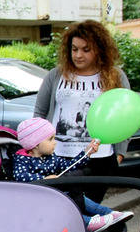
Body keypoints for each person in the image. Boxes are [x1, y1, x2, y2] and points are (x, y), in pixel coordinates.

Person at [33, 19, 130, 204]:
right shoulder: (56, 75)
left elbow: (124, 116)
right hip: (58, 157)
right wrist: (39, 153)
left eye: (86, 50)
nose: (78, 55)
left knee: (88, 211)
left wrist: (119, 156)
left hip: (99, 161)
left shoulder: (115, 76)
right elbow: (39, 114)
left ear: (100, 49)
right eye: (74, 49)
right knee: (59, 209)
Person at [12, 117, 133, 232]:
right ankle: (88, 222)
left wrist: (87, 153)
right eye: (50, 139)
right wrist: (44, 179)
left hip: (54, 194)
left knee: (79, 197)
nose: (55, 143)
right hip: (37, 201)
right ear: (36, 144)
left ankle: (109, 213)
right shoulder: (22, 160)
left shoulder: (51, 157)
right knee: (65, 203)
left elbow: (69, 165)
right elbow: (20, 176)